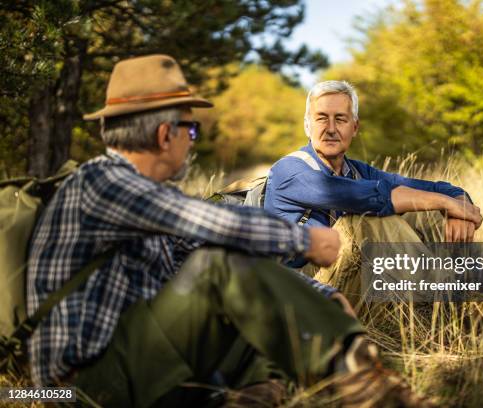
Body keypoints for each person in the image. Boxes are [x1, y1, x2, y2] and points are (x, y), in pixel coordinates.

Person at [26, 56, 424, 407]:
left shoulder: (145, 200)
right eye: (191, 131)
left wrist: (321, 297)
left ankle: (256, 394)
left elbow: (225, 257)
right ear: (166, 134)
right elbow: (213, 226)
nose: (191, 141)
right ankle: (370, 389)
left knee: (243, 307)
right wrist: (302, 240)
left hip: (143, 363)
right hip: (83, 389)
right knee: (216, 266)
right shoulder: (103, 183)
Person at [264, 80, 483, 302]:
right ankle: (449, 297)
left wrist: (458, 206)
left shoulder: (358, 171)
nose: (331, 129)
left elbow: (438, 188)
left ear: (355, 127)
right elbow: (366, 197)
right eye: (321, 118)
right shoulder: (289, 170)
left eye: (340, 119)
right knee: (366, 221)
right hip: (299, 295)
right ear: (307, 125)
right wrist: (445, 202)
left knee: (429, 214)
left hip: (350, 286)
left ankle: (470, 287)